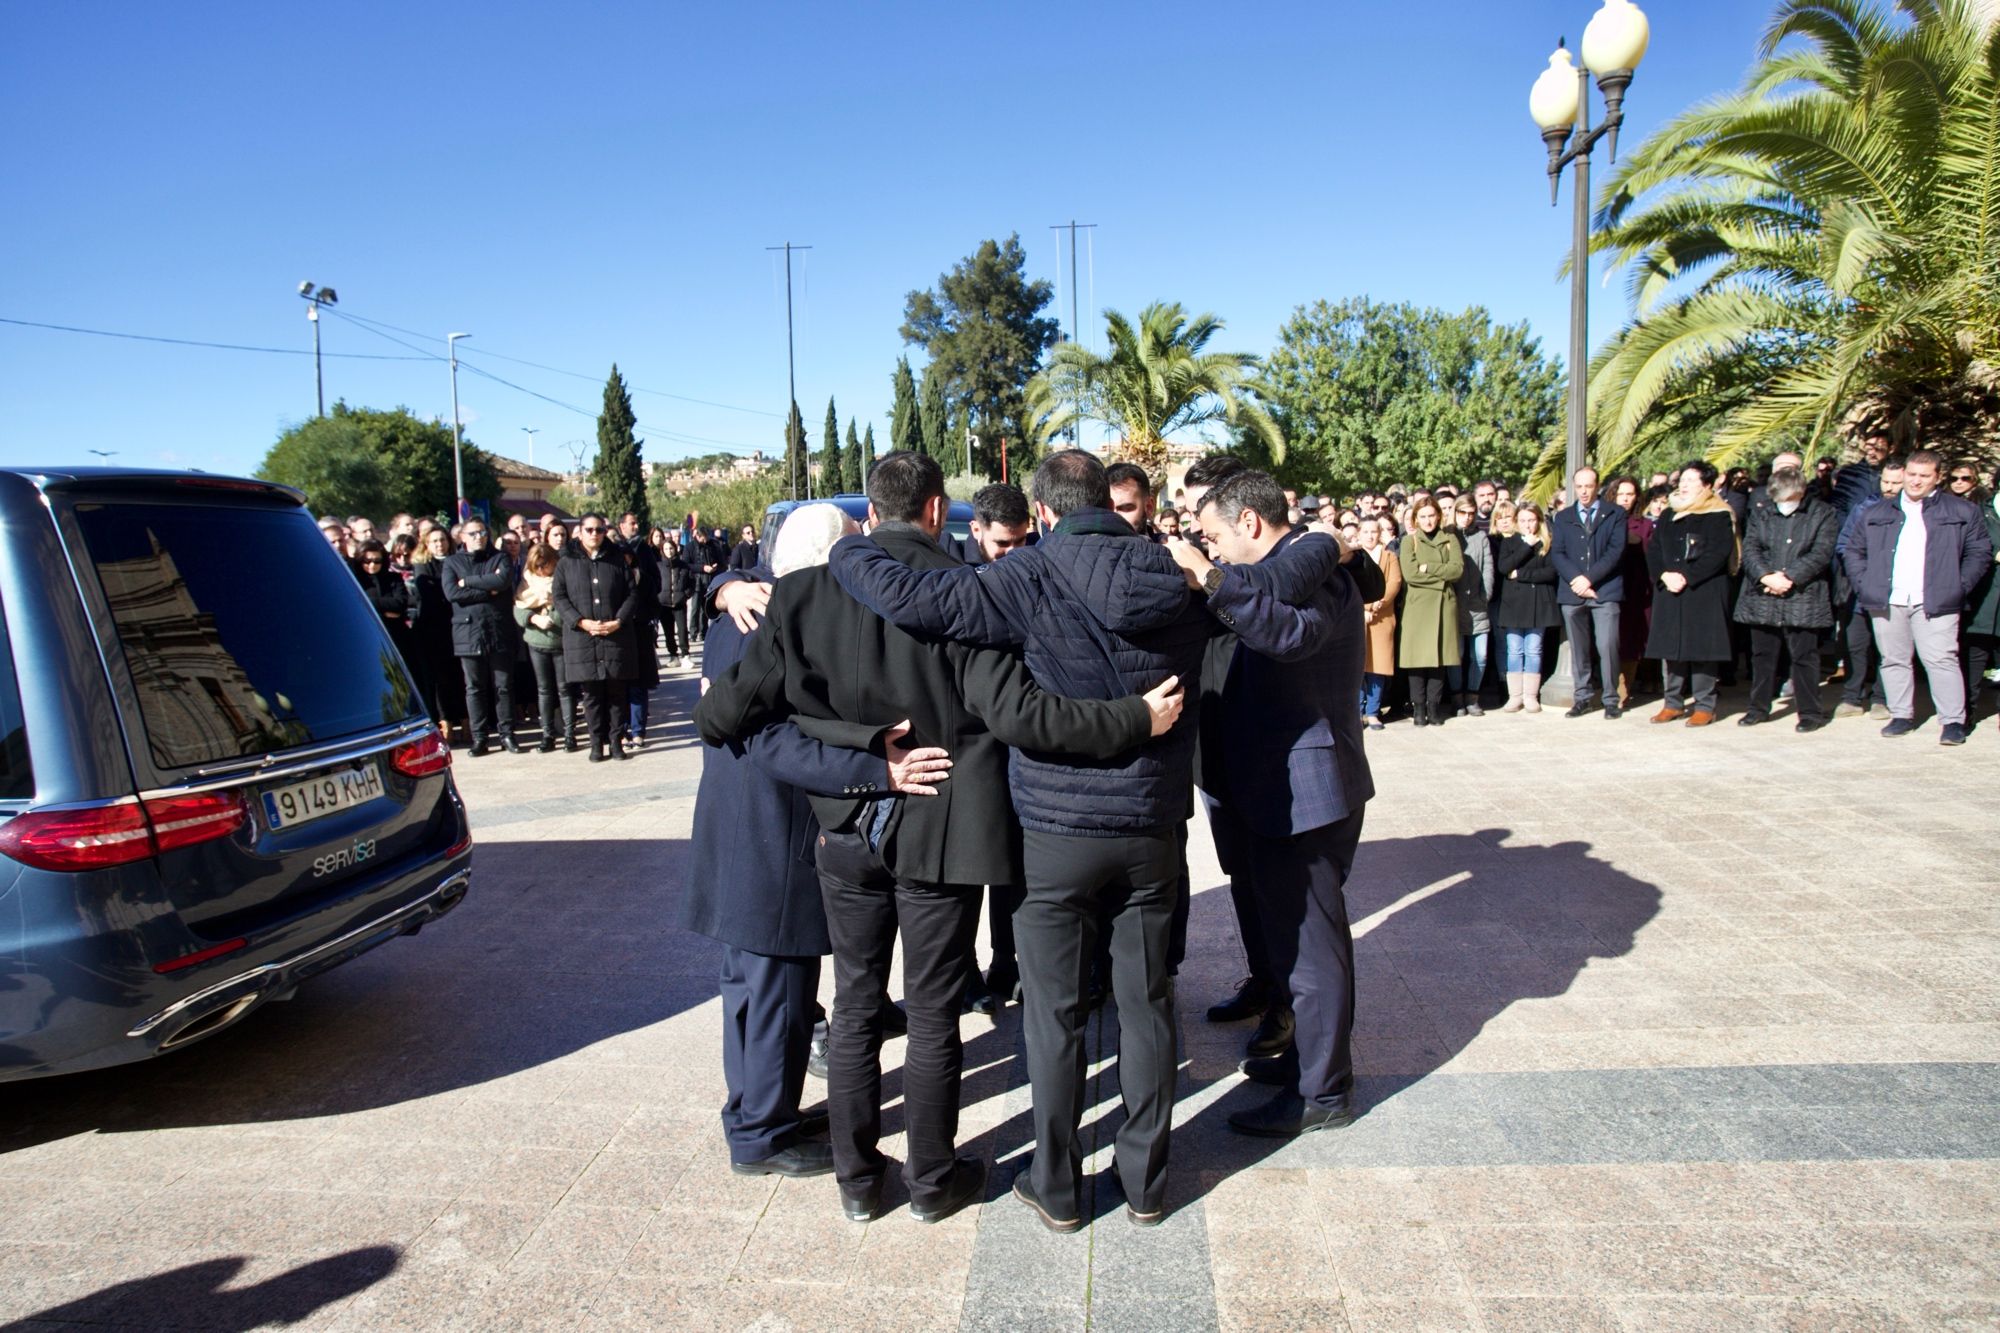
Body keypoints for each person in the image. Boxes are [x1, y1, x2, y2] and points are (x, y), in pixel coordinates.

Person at [823, 449, 1342, 1232]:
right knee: (1147, 1001)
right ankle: (1145, 1183)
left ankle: (1057, 1186)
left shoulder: (1025, 575)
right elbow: (1268, 581)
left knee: (1055, 1013)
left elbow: (917, 599)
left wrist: (843, 543)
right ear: (1108, 500)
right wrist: (1330, 543)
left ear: (1046, 511)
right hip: (1150, 828)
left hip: (1056, 833)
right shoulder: (1174, 570)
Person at [697, 465, 1183, 1223]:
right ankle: (932, 1182)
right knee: (930, 1011)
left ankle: (858, 1183)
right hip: (948, 831)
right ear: (934, 509)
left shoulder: (801, 595)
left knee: (855, 1005)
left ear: (871, 512)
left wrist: (851, 754)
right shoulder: (971, 592)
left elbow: (727, 717)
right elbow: (1006, 707)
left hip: (848, 832)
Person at [683, 509, 906, 1185]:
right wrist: (877, 766)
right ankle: (763, 1131)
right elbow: (779, 739)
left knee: (747, 986)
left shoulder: (742, 606)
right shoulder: (778, 615)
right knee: (778, 989)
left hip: (735, 824)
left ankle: (752, 1108)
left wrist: (725, 581)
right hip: (771, 829)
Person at [1844, 450, 1994, 745]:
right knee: (1893, 659)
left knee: (1941, 660)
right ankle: (1901, 715)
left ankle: (1952, 721)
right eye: (1911, 475)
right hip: (1888, 598)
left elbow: (1980, 552)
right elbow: (1854, 551)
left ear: (1938, 477)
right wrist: (1865, 584)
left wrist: (1958, 585)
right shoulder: (1877, 512)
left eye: (1924, 476)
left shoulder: (1961, 511)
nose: (1915, 481)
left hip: (1937, 599)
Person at [1734, 467, 1837, 731]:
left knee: (1804, 657)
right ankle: (1758, 708)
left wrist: (1789, 577)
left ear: (1801, 493)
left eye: (1789, 499)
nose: (1784, 505)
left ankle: (1810, 713)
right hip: (1764, 594)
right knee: (1762, 655)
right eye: (1779, 499)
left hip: (1803, 595)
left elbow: (1821, 553)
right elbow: (1751, 548)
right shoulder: (1762, 512)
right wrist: (1766, 577)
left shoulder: (1822, 513)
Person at [1645, 461, 1740, 727]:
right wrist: (1664, 574)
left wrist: (1687, 576)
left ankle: (1704, 705)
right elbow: (1654, 550)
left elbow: (1717, 554)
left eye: (1691, 480)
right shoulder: (1668, 514)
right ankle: (1672, 703)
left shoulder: (1718, 514)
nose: (1683, 485)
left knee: (1703, 650)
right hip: (1670, 589)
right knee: (1671, 650)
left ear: (1707, 486)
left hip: (1702, 590)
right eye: (1682, 480)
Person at [552, 514, 640, 761]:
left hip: (615, 636)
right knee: (591, 696)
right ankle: (595, 743)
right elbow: (559, 596)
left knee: (616, 693)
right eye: (589, 529)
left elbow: (631, 594)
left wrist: (618, 621)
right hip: (583, 638)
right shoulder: (566, 562)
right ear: (580, 532)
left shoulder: (617, 559)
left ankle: (615, 741)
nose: (595, 534)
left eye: (599, 530)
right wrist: (580, 622)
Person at [1550, 466, 1628, 718]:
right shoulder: (1563, 517)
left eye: (1588, 486)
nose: (1584, 491)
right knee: (1579, 649)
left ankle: (1610, 699)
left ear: (1597, 486)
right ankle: (1582, 697)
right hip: (1573, 593)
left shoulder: (1614, 513)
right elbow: (1558, 553)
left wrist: (1589, 579)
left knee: (1607, 646)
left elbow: (1615, 551)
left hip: (1604, 591)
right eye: (1579, 486)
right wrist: (1576, 580)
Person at [443, 519, 521, 756]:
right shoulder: (452, 562)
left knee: (504, 686)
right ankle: (480, 738)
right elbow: (452, 593)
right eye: (473, 533)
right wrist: (488, 590)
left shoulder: (500, 558)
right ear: (462, 537)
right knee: (474, 687)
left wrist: (468, 582)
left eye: (483, 532)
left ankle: (507, 734)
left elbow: (502, 580)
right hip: (468, 632)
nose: (479, 537)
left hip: (498, 630)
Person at [1834, 459, 1904, 718]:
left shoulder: (1912, 511)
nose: (1890, 487)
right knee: (1855, 645)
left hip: (1894, 590)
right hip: (1860, 589)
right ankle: (1852, 696)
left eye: (1896, 482)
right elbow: (1845, 545)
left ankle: (1881, 698)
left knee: (1887, 648)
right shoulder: (1864, 507)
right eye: (1886, 481)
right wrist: (1861, 575)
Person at [1398, 496, 1463, 727]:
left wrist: (1429, 568)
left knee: (1439, 659)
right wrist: (1440, 578)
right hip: (1417, 607)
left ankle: (1434, 708)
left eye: (1431, 515)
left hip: (1444, 604)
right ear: (1415, 518)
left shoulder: (1450, 539)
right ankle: (1418, 708)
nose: (1427, 521)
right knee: (1417, 660)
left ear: (1439, 515)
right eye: (1422, 516)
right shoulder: (1409, 541)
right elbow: (1411, 574)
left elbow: (1456, 571)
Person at [1494, 501, 1560, 713]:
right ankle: (1515, 696)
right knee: (1514, 650)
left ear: (1539, 520)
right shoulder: (1510, 542)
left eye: (1531, 520)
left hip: (1538, 603)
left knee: (1533, 649)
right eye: (1522, 520)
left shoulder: (1547, 542)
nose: (1527, 525)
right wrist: (1526, 546)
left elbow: (1550, 573)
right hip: (1514, 605)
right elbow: (1505, 567)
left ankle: (1531, 695)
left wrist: (1521, 575)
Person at [514, 542, 573, 752]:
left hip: (560, 641)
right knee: (544, 690)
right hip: (536, 641)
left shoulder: (563, 578)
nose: (541, 569)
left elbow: (570, 607)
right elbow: (519, 606)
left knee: (565, 689)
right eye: (537, 565)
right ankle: (547, 735)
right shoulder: (527, 582)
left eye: (544, 564)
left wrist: (553, 613)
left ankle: (570, 734)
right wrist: (533, 618)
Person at [1609, 477, 1656, 704]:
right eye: (1621, 494)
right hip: (1608, 588)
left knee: (1631, 643)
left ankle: (1623, 690)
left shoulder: (1645, 525)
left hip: (1636, 591)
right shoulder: (1604, 521)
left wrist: (1637, 542)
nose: (1625, 499)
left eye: (1629, 494)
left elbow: (1654, 557)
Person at [1960, 464, 2000, 719]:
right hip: (1983, 597)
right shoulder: (1980, 513)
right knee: (1974, 657)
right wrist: (1992, 555)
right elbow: (1968, 549)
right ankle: (1966, 713)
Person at [1448, 495, 1493, 716]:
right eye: (1462, 512)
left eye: (1470, 513)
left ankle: (1473, 696)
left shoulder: (1481, 537)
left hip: (1477, 605)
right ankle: (1457, 697)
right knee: (1457, 654)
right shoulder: (1447, 535)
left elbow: (1488, 569)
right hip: (1454, 606)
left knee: (1480, 655)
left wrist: (1485, 596)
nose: (1466, 518)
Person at [1357, 515, 1402, 730]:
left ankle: (1373, 712)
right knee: (1357, 667)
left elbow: (1394, 582)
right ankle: (1357, 711)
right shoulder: (1353, 556)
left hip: (1382, 617)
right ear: (1359, 533)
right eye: (1365, 531)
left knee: (1378, 667)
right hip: (1358, 618)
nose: (1370, 535)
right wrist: (1364, 607)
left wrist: (1377, 604)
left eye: (1374, 531)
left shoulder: (1389, 556)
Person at [353, 540, 416, 680]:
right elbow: (355, 604)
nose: (372, 565)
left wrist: (370, 604)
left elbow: (400, 603)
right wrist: (384, 611)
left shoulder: (393, 578)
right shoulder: (355, 581)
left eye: (377, 561)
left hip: (396, 635)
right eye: (367, 560)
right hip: (368, 636)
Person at [961, 483, 1032, 565]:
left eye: (1020, 541)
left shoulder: (1038, 557)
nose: (1013, 552)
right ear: (976, 530)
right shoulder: (954, 570)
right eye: (1002, 543)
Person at [659, 531, 695, 669]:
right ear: (662, 550)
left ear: (676, 549)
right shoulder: (659, 566)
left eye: (671, 548)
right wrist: (658, 596)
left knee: (682, 630)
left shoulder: (683, 565)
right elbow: (655, 583)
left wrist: (686, 595)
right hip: (664, 604)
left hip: (679, 603)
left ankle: (685, 655)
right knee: (668, 632)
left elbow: (692, 582)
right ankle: (673, 655)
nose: (669, 551)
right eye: (666, 549)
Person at [1106, 461, 1157, 536]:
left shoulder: (1166, 546)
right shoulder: (1087, 546)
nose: (1114, 517)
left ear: (1149, 507)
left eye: (1125, 508)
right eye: (1107, 509)